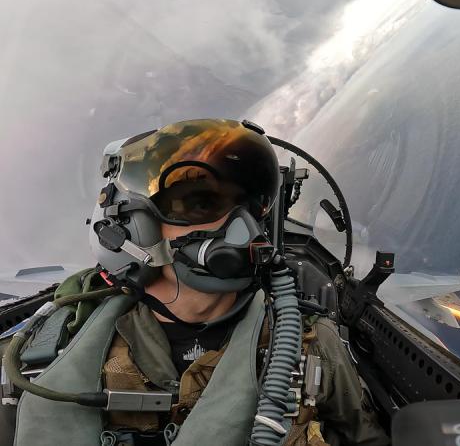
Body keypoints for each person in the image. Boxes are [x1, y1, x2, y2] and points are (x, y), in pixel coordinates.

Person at [4, 119, 388, 446]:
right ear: (134, 228)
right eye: (201, 203)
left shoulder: (309, 342)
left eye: (251, 207)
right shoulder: (51, 344)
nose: (241, 227)